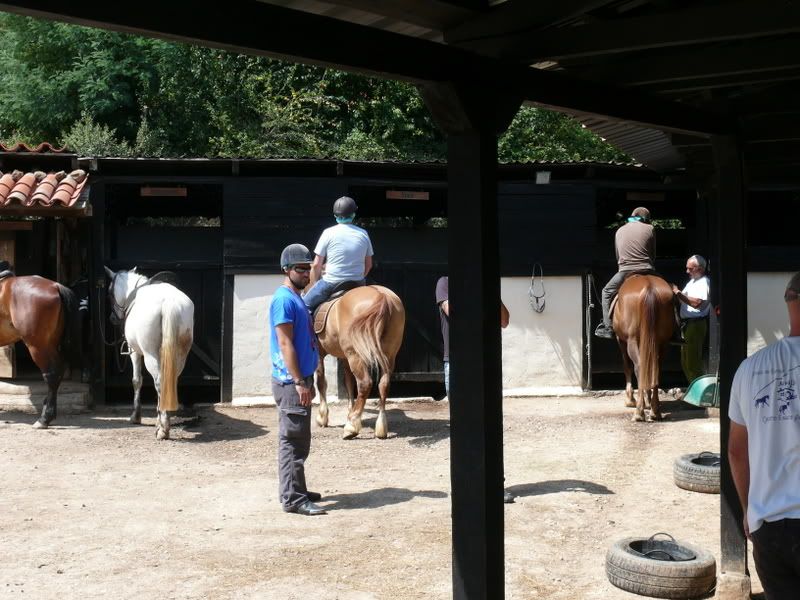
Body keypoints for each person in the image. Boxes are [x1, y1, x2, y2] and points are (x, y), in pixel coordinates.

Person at [729, 272, 800, 599]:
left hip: (769, 525)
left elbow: (736, 452)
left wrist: (748, 510)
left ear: (788, 302)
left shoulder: (749, 369)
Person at [435, 275, 515, 503]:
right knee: (461, 426)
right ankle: (463, 485)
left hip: (484, 361)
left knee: (489, 425)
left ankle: (495, 485)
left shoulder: (485, 285)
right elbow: (455, 313)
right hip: (457, 361)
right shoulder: (445, 283)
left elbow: (505, 320)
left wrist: (490, 293)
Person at [270, 243, 326, 516]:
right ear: (286, 270)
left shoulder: (298, 298)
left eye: (308, 268)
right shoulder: (283, 300)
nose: (306, 273)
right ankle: (293, 498)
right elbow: (284, 343)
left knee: (300, 438)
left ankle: (297, 487)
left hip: (300, 377)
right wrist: (299, 382)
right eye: (300, 269)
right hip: (292, 382)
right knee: (292, 439)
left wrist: (309, 376)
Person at [303, 196, 374, 312]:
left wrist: (315, 284)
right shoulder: (363, 234)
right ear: (353, 214)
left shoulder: (328, 233)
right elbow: (369, 265)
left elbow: (316, 265)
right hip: (358, 282)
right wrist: (358, 276)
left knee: (303, 307)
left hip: (331, 282)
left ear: (335, 215)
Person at [594, 207, 656, 339]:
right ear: (646, 219)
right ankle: (676, 329)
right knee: (670, 290)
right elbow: (653, 254)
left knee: (606, 292)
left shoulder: (619, 231)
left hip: (625, 271)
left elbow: (618, 257)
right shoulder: (650, 228)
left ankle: (608, 327)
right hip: (647, 268)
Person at [672, 255, 710, 384]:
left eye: (690, 269)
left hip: (696, 324)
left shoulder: (704, 282)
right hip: (688, 324)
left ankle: (701, 395)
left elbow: (697, 303)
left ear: (699, 269)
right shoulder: (692, 282)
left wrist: (677, 292)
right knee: (685, 361)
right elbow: (683, 299)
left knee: (693, 362)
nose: (687, 271)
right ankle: (693, 392)